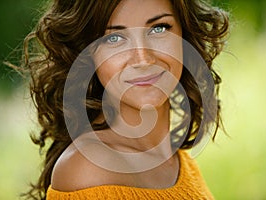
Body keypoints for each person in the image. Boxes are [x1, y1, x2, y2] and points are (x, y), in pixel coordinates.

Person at [21, 0, 229, 199]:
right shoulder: (91, 171)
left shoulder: (176, 159)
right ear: (86, 54)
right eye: (114, 38)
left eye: (158, 28)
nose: (143, 59)